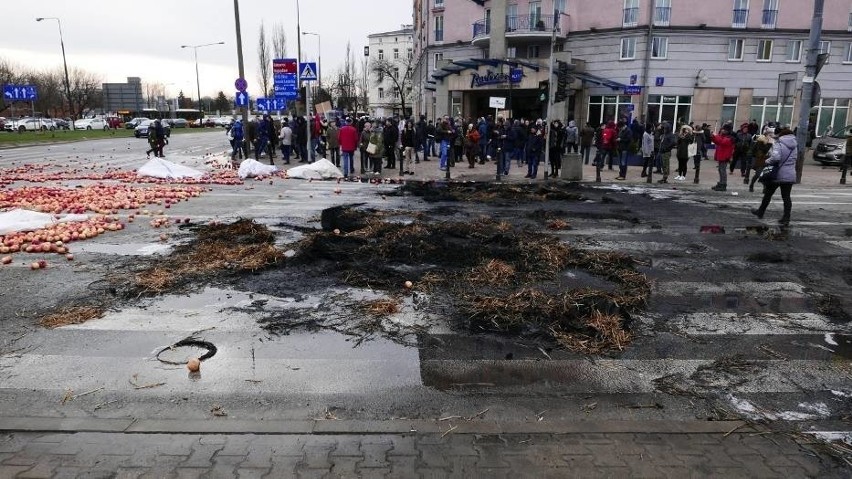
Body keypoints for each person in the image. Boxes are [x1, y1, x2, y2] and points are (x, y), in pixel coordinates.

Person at [752, 126, 797, 225]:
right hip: (789, 173)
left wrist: (766, 161)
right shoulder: (794, 145)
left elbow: (776, 157)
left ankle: (761, 211)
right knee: (786, 197)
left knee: (768, 193)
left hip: (777, 174)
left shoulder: (779, 143)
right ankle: (786, 218)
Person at [711, 125, 735, 191]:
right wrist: (713, 137)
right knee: (720, 170)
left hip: (725, 156)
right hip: (721, 155)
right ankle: (721, 182)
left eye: (724, 129)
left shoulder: (729, 138)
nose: (722, 130)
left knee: (722, 170)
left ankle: (723, 184)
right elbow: (717, 141)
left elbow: (721, 142)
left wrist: (715, 136)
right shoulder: (724, 137)